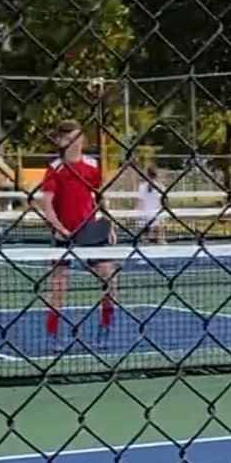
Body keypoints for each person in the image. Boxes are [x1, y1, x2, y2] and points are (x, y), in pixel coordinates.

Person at [38, 121, 118, 350]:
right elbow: (48, 206)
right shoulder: (55, 168)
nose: (65, 139)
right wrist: (58, 228)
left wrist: (107, 224)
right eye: (61, 136)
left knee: (109, 278)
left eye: (69, 135)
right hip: (64, 235)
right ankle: (53, 335)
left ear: (80, 138)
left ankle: (105, 328)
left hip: (91, 232)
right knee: (59, 287)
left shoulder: (93, 166)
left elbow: (98, 198)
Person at [134, 164, 167, 245]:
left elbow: (139, 202)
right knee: (160, 236)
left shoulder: (142, 187)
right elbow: (162, 202)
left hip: (147, 214)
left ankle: (147, 240)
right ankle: (161, 240)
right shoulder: (161, 187)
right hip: (156, 214)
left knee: (148, 235)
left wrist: (137, 213)